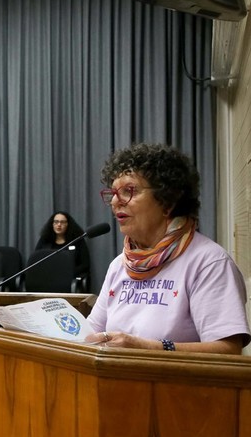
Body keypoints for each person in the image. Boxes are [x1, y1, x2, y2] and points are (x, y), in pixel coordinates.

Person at [86, 143, 250, 354]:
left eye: (129, 191)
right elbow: (91, 333)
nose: (116, 202)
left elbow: (227, 350)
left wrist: (148, 347)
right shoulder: (119, 265)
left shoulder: (208, 262)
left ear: (167, 202)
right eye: (114, 193)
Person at [35, 211, 91, 279]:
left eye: (62, 222)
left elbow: (85, 265)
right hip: (47, 278)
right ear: (52, 224)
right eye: (56, 222)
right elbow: (36, 260)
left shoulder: (77, 240)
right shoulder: (45, 240)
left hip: (70, 278)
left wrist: (66, 273)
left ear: (68, 224)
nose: (59, 224)